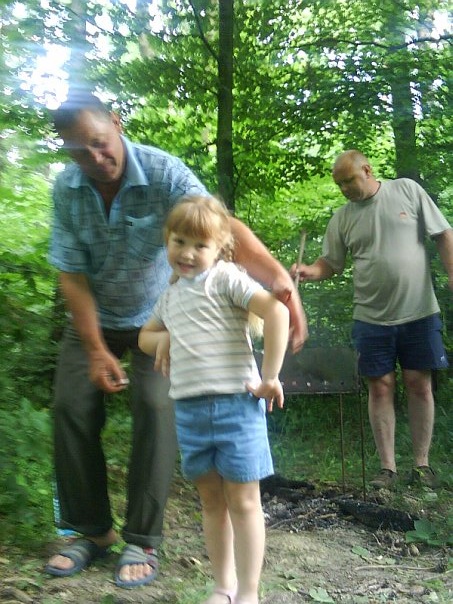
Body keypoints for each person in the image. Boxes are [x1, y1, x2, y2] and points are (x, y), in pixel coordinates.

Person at [45, 90, 308, 588]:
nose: (94, 158)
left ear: (117, 124)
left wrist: (281, 284)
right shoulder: (67, 190)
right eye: (79, 151)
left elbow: (219, 226)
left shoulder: (163, 171)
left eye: (99, 143)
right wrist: (97, 349)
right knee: (70, 405)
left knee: (158, 404)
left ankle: (142, 539)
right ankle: (91, 531)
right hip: (96, 317)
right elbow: (71, 274)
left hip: (164, 313)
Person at [139, 195, 289, 604]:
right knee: (211, 503)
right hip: (190, 412)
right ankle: (223, 587)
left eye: (199, 245)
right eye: (179, 241)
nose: (187, 253)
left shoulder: (225, 279)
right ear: (167, 240)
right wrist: (163, 338)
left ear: (219, 246)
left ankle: (248, 592)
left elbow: (276, 312)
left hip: (236, 408)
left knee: (244, 501)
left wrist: (270, 376)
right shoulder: (170, 296)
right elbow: (144, 336)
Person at [292, 149, 453, 489]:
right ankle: (387, 468)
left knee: (419, 383)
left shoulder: (406, 190)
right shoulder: (342, 218)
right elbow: (330, 264)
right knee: (380, 387)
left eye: (348, 181)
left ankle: (422, 465)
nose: (344, 189)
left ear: (367, 170)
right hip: (370, 317)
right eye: (339, 184)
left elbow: (443, 234)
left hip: (419, 311)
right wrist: (309, 271)